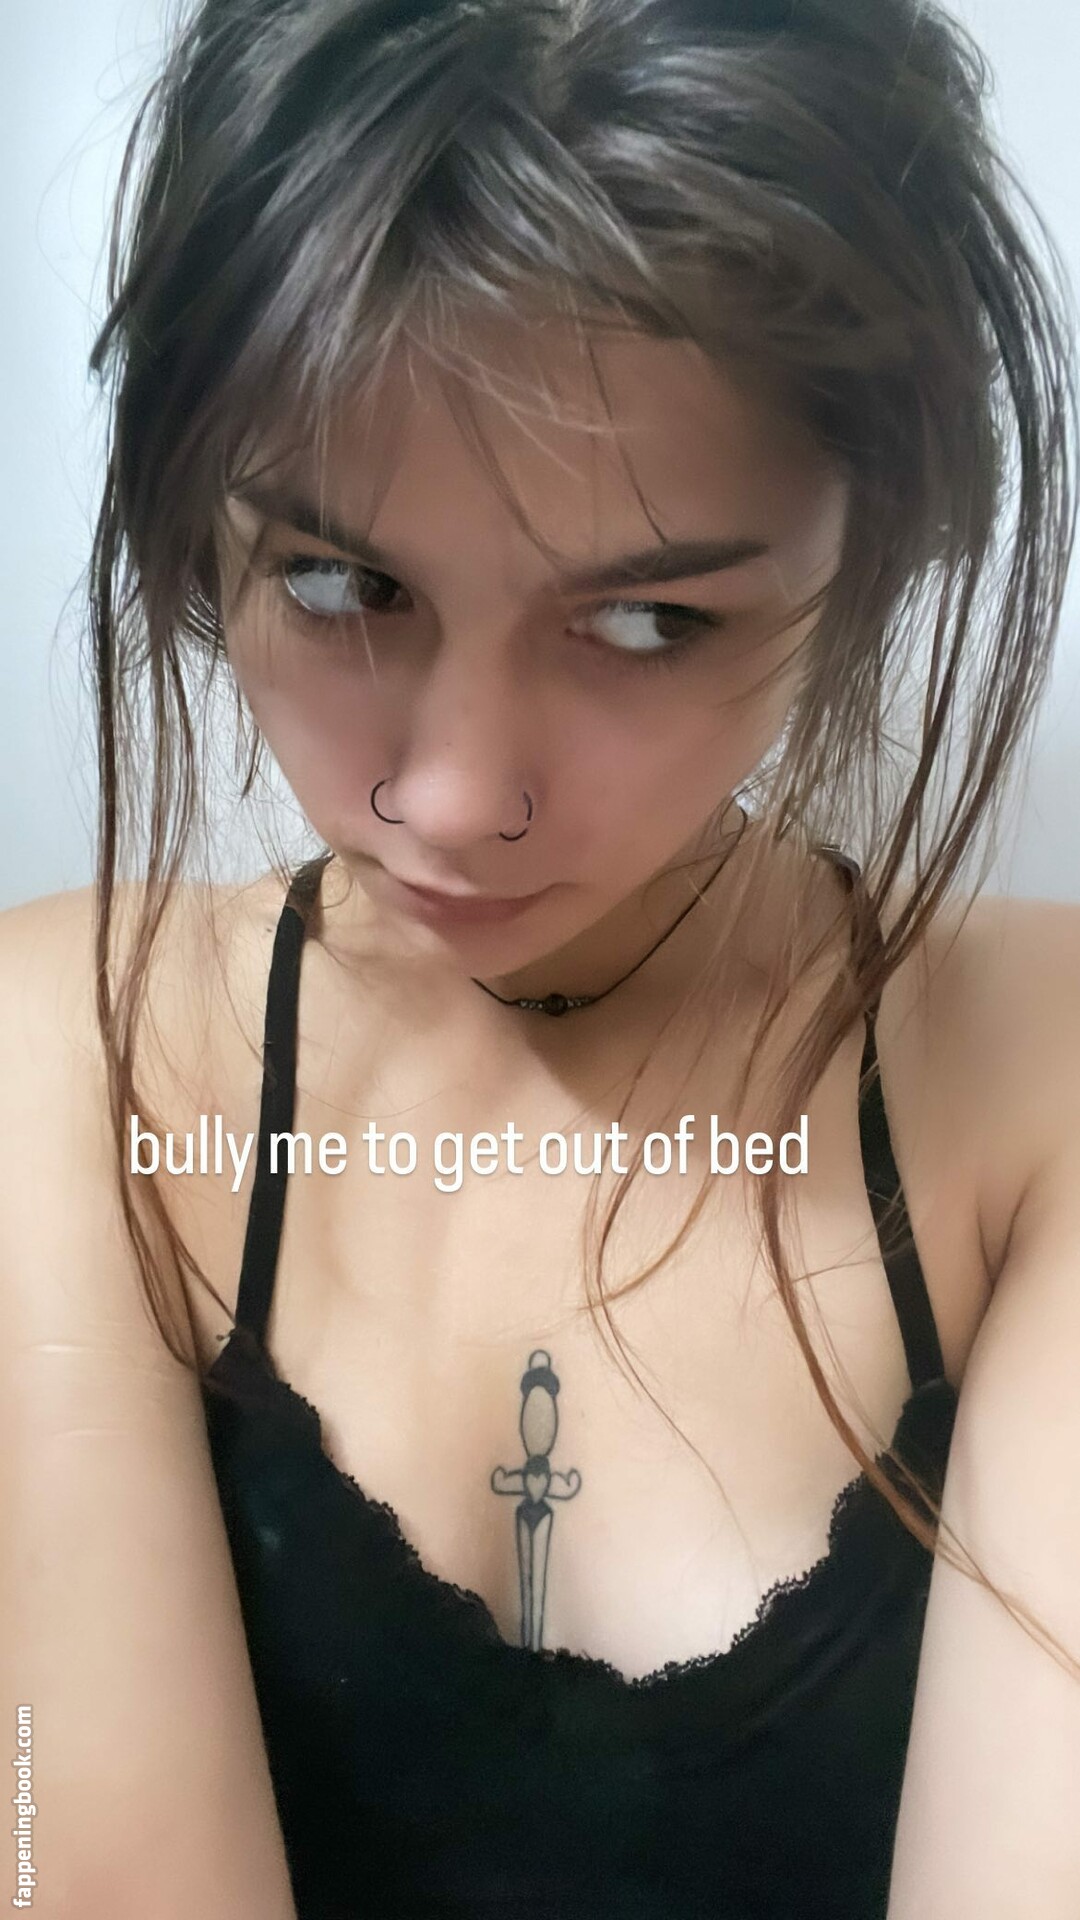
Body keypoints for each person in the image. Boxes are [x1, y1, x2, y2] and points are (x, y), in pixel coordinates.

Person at [3, 0, 1080, 1914]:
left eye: (648, 623)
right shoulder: (62, 1058)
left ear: (871, 553)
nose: (450, 797)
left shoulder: (1041, 1076)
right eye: (336, 583)